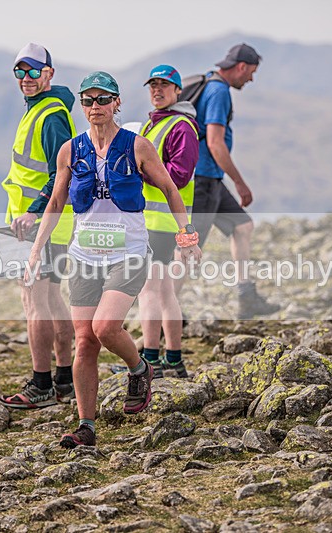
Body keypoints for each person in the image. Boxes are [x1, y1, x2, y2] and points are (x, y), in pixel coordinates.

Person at [24, 71, 202, 448]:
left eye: (103, 99)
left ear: (117, 102)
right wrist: (38, 248)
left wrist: (186, 237)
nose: (95, 107)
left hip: (130, 252)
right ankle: (86, 426)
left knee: (106, 328)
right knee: (85, 341)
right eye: (88, 100)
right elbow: (56, 203)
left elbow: (171, 188)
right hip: (84, 255)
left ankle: (140, 368)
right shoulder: (70, 150)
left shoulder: (137, 146)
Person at [176, 43, 280, 319]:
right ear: (242, 67)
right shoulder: (219, 91)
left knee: (243, 226)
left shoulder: (209, 81)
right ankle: (164, 312)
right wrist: (240, 182)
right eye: (252, 72)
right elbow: (215, 143)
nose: (251, 79)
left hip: (209, 179)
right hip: (203, 181)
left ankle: (247, 298)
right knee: (187, 250)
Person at [0, 43, 76, 409]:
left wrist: (32, 210)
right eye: (20, 72)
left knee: (33, 301)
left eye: (33, 71)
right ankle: (64, 379)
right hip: (46, 224)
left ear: (49, 73)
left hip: (37, 224)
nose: (26, 79)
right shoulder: (43, 110)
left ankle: (41, 385)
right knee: (50, 298)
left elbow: (61, 173)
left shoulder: (50, 116)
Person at [137, 65, 199, 379]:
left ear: (177, 91)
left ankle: (150, 359)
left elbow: (181, 174)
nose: (158, 90)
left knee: (150, 291)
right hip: (155, 220)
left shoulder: (181, 126)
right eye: (153, 86)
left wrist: (141, 173)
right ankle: (173, 359)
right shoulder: (155, 124)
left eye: (165, 85)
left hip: (161, 223)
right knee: (164, 292)